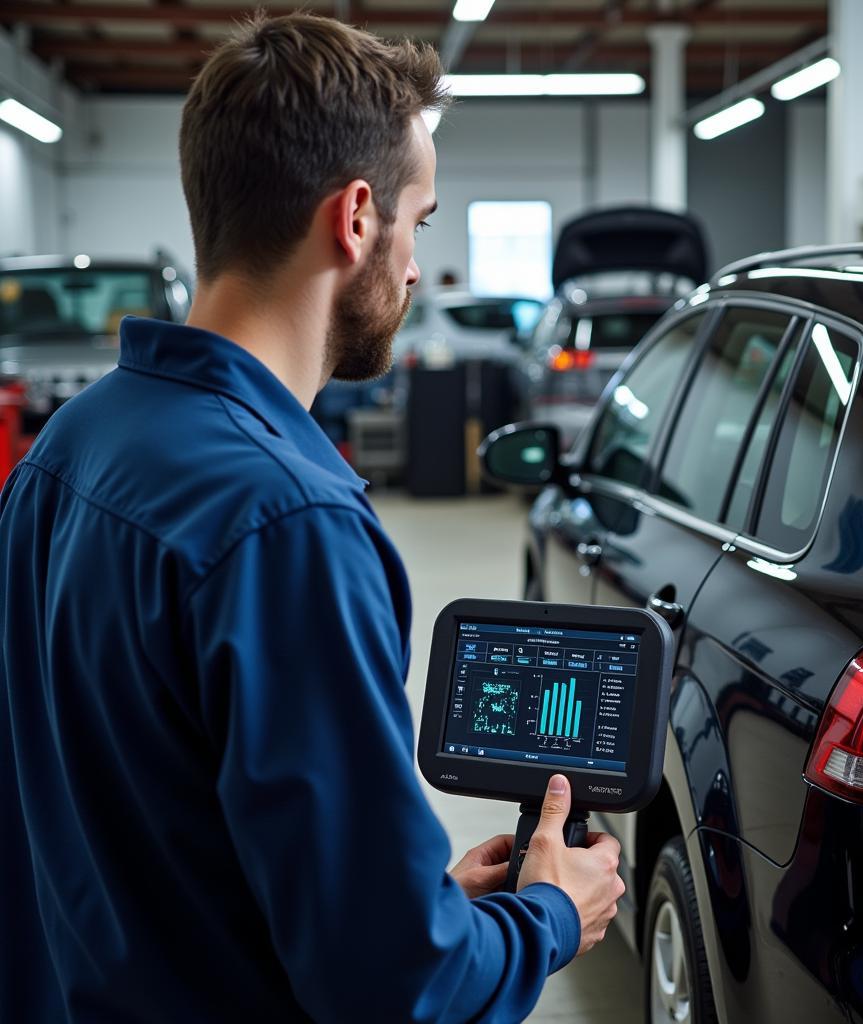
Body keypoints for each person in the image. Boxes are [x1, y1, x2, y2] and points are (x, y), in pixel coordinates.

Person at [0, 13, 624, 1024]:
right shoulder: (285, 522)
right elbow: (394, 990)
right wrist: (549, 914)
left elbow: (142, 825)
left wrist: (431, 907)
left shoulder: (69, 447)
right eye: (419, 222)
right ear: (357, 217)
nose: (418, 267)